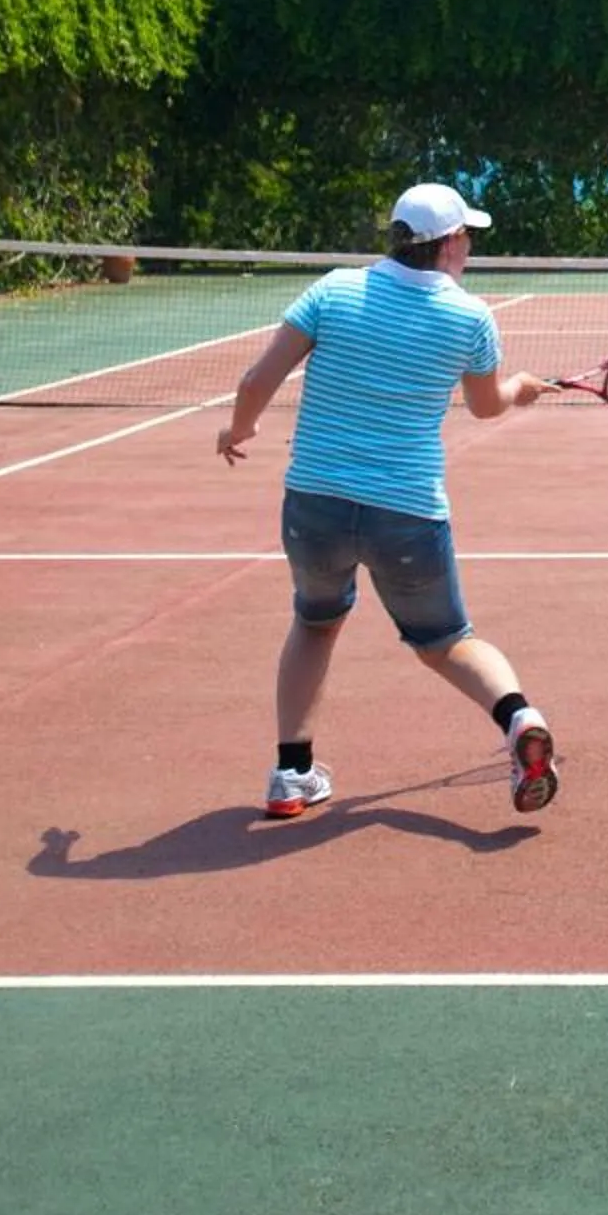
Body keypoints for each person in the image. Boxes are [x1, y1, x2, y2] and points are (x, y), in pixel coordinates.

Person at [217, 182, 560, 820]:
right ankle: (520, 722)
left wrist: (238, 431)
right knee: (447, 643)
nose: (470, 247)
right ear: (450, 243)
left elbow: (255, 380)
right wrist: (519, 388)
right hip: (406, 513)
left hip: (314, 503)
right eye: (468, 237)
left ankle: (292, 776)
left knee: (315, 625)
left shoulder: (334, 290)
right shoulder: (469, 317)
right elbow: (486, 407)